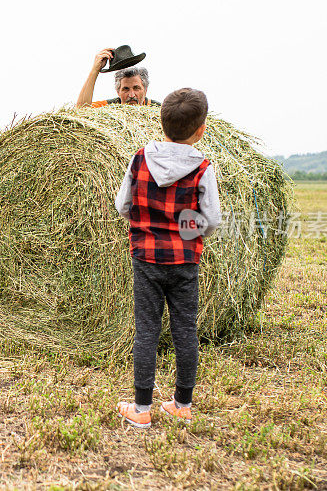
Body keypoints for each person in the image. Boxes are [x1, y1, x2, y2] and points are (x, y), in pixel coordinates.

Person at [113, 88, 221, 429]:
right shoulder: (203, 168)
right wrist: (184, 231)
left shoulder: (140, 158)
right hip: (185, 261)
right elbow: (213, 220)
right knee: (185, 330)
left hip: (145, 257)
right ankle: (182, 404)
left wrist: (147, 225)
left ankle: (142, 409)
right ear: (201, 128)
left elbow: (122, 206)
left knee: (146, 330)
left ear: (161, 123)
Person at [76, 47, 161, 108]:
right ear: (118, 91)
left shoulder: (158, 110)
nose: (131, 95)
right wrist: (95, 70)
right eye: (126, 89)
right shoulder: (109, 107)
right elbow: (81, 111)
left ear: (145, 90)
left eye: (136, 88)